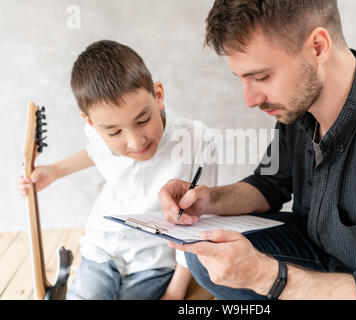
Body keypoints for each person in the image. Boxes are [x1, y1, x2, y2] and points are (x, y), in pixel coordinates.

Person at [159, 0, 356, 300]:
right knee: (206, 252)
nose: (251, 99)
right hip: (322, 254)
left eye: (261, 77)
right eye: (243, 79)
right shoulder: (296, 107)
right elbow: (271, 184)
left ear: (318, 47)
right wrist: (207, 200)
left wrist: (264, 276)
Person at [17, 40, 217, 300]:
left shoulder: (198, 141)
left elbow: (198, 223)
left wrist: (176, 291)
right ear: (91, 122)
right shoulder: (96, 130)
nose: (136, 142)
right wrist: (54, 171)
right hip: (101, 249)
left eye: (143, 120)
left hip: (153, 261)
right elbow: (96, 151)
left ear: (158, 95)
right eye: (114, 132)